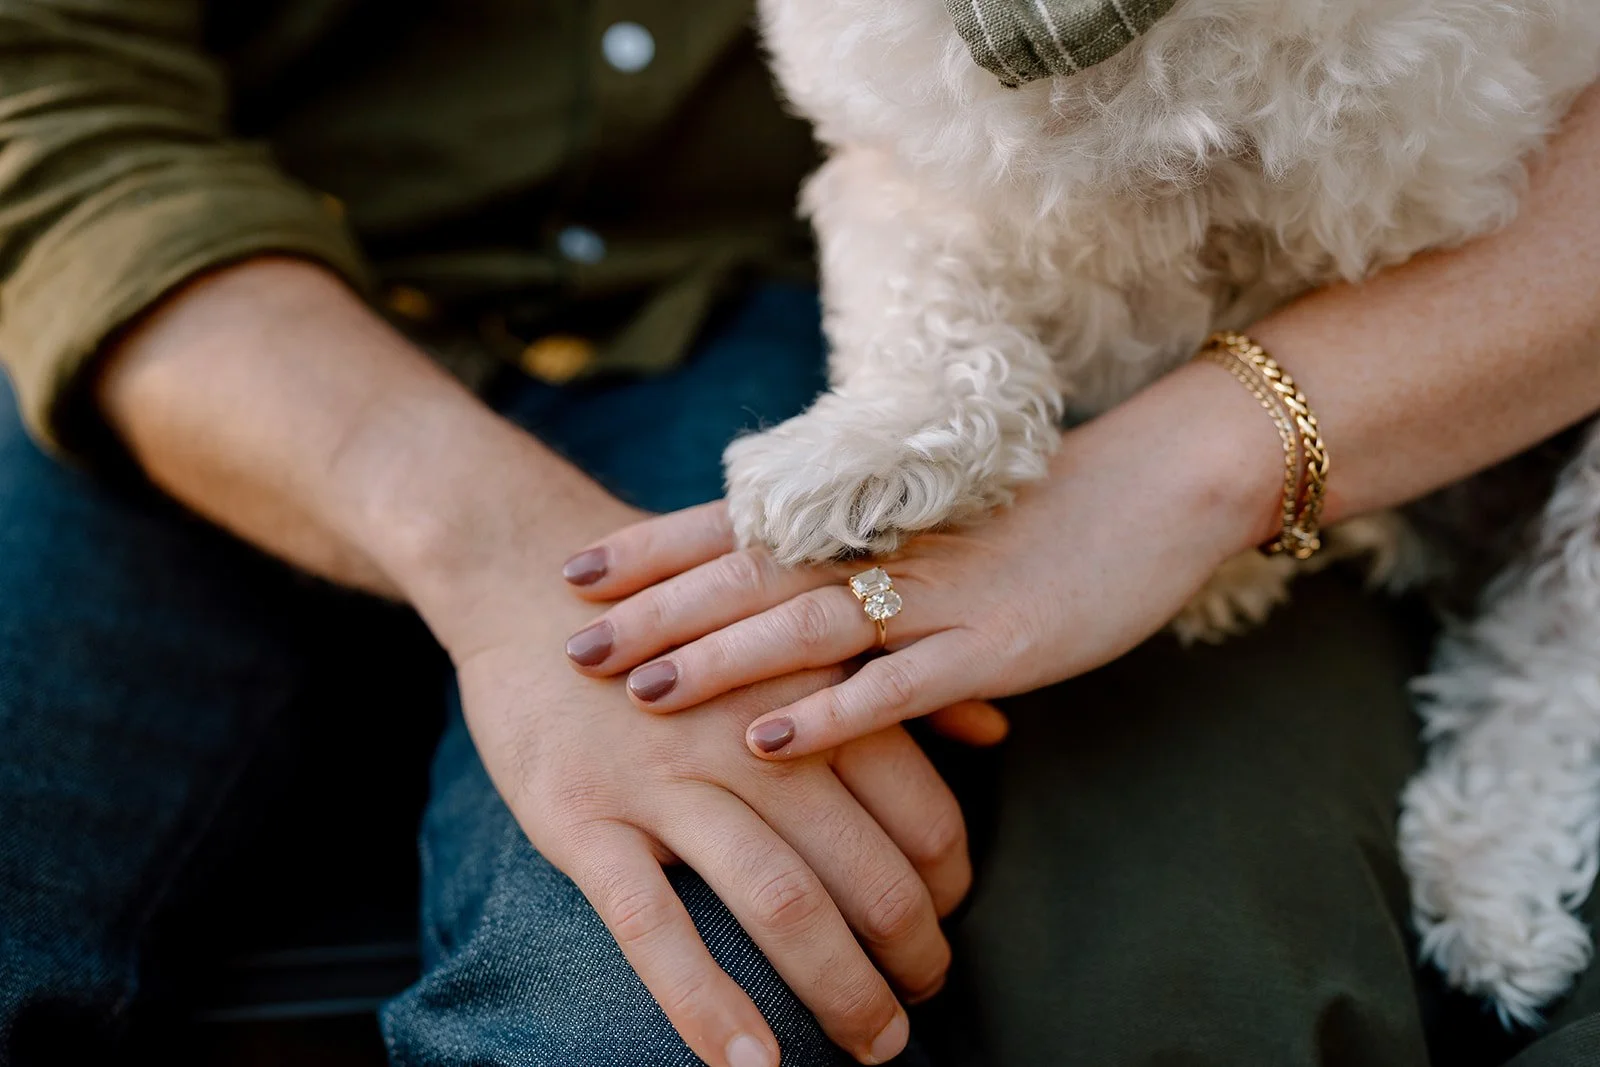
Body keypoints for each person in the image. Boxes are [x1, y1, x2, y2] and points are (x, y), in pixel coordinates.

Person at [0, 2, 1597, 1065]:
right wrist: (490, 553)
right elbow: (50, 103)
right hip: (201, 335)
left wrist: (1186, 461)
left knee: (668, 1013)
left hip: (773, 324)